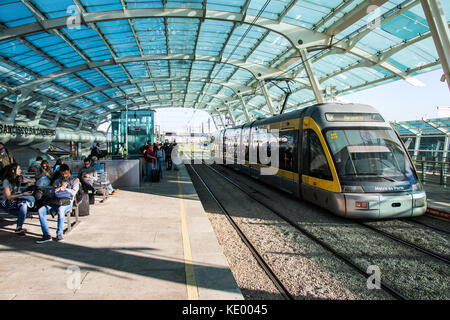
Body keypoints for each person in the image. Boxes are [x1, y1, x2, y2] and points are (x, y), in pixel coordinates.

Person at [36, 164, 79, 243]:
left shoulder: (74, 180)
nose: (64, 175)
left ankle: (59, 233)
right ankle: (46, 235)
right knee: (41, 210)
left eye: (66, 173)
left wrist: (64, 188)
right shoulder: (57, 181)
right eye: (62, 174)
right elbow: (52, 193)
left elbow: (74, 192)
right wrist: (56, 190)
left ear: (69, 171)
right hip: (56, 201)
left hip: (67, 202)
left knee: (60, 210)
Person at [1, 163, 34, 235]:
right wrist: (23, 194)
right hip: (7, 203)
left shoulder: (18, 178)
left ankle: (19, 228)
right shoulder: (6, 181)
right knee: (23, 207)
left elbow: (30, 180)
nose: (20, 170)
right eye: (18, 169)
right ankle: (19, 227)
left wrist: (32, 180)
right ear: (13, 171)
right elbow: (9, 197)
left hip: (16, 202)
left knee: (24, 205)